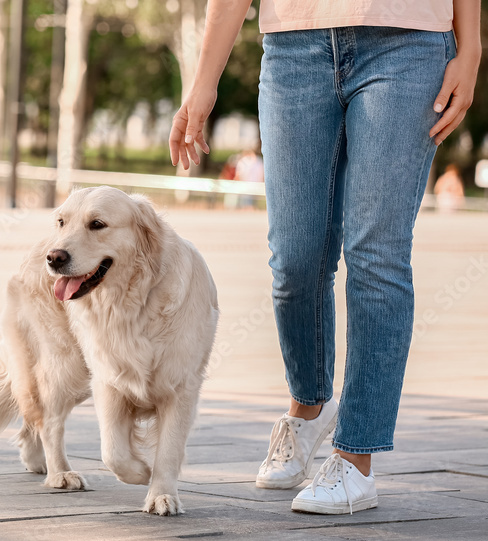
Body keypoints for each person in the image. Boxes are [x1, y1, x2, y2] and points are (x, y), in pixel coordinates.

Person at [169, 0, 480, 514]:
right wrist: (203, 83)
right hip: (295, 46)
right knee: (294, 258)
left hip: (407, 45)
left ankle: (355, 458)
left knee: (376, 254)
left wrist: (470, 50)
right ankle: (309, 407)